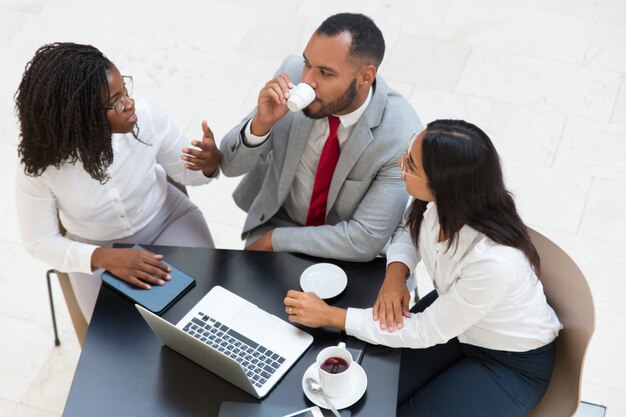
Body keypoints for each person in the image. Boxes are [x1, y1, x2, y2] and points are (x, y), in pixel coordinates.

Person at [284, 120, 562, 416]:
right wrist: (395, 275)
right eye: (408, 152)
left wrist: (329, 315)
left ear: (444, 187)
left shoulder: (493, 262)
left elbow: (424, 331)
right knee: (369, 393)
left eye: (411, 165)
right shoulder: (443, 204)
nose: (399, 162)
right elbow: (409, 229)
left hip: (509, 363)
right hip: (456, 319)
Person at [15, 42, 220, 321]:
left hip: (169, 222)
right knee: (118, 348)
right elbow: (39, 242)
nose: (129, 103)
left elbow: (189, 174)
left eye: (124, 90)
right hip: (96, 251)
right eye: (115, 102)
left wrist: (208, 164)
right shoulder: (41, 168)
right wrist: (102, 257)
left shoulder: (146, 118)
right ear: (80, 118)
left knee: (210, 306)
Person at [219, 12, 422, 261]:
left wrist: (275, 240)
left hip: (347, 251)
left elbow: (364, 238)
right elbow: (228, 168)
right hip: (282, 220)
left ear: (365, 77)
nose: (307, 81)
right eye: (307, 63)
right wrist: (260, 125)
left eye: (325, 73)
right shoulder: (290, 76)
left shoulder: (400, 136)